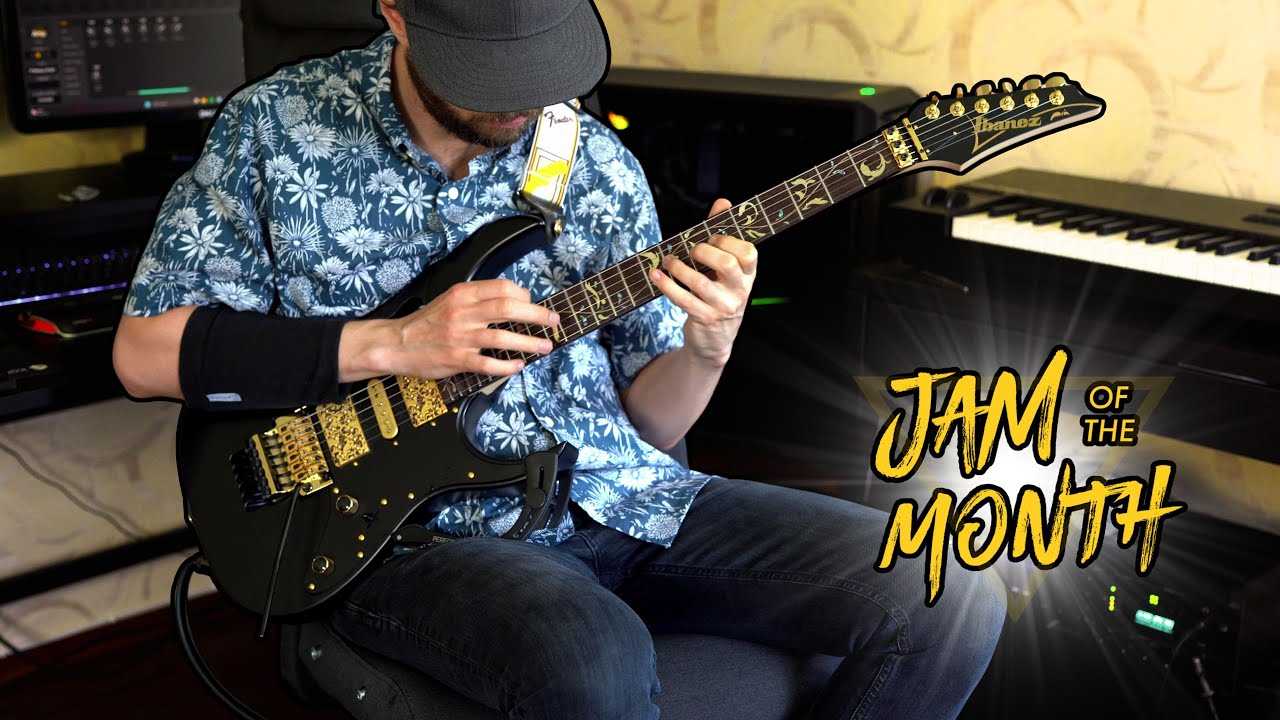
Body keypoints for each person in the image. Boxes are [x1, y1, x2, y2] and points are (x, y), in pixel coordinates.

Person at [112, 0, 1005, 717]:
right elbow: (142, 356)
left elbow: (652, 420)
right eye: (488, 75)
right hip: (417, 534)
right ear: (397, 15)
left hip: (623, 499)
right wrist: (395, 342)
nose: (519, 102)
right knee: (595, 657)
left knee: (950, 586)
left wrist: (709, 344)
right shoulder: (272, 130)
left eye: (539, 68)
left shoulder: (593, 162)